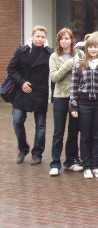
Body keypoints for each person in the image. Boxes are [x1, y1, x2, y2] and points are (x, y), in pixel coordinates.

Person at [70, 31, 98, 179]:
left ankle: (95, 166)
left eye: (96, 47)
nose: (93, 49)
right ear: (86, 48)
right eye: (90, 47)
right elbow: (74, 88)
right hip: (84, 104)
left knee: (96, 136)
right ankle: (86, 166)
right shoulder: (79, 66)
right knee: (85, 136)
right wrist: (73, 106)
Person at [8, 25, 53, 165]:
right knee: (17, 120)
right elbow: (11, 68)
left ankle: (37, 153)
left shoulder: (50, 53)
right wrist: (22, 83)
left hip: (40, 93)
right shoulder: (21, 51)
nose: (40, 39)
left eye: (42, 37)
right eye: (37, 36)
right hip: (22, 92)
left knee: (40, 125)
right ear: (32, 36)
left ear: (45, 38)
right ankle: (23, 148)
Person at [49, 28, 83, 176]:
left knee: (74, 131)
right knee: (58, 131)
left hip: (76, 97)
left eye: (67, 38)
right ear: (58, 41)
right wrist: (68, 64)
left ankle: (71, 161)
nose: (64, 41)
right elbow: (54, 77)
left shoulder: (80, 54)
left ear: (71, 40)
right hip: (60, 97)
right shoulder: (54, 56)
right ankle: (55, 163)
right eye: (61, 39)